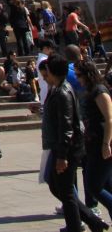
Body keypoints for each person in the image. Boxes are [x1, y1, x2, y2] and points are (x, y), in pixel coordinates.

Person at [41, 53, 107, 232]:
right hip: (60, 145)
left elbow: (67, 126)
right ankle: (93, 222)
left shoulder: (63, 92)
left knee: (67, 192)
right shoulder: (57, 88)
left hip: (67, 148)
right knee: (57, 187)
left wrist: (62, 156)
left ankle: (76, 226)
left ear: (52, 71)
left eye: (46, 71)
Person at [75, 59, 112, 223]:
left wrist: (106, 144)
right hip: (93, 143)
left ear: (88, 74)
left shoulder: (100, 90)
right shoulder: (90, 90)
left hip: (102, 144)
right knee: (107, 185)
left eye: (79, 75)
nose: (77, 78)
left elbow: (110, 119)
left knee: (93, 186)